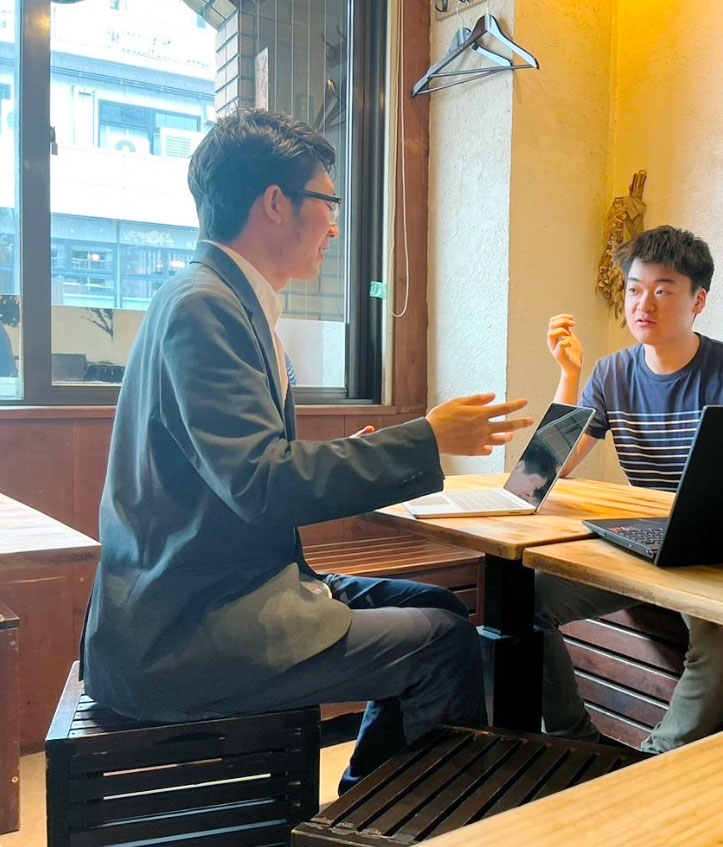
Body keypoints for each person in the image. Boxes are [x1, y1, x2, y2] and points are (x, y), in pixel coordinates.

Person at [82, 108, 533, 790]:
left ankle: (367, 806)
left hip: (213, 594)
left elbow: (239, 468)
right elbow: (261, 483)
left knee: (441, 607)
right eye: (328, 202)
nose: (335, 225)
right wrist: (430, 438)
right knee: (444, 645)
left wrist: (359, 450)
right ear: (274, 204)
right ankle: (394, 817)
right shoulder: (206, 306)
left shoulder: (219, 298)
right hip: (185, 630)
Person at [537, 225, 723, 753]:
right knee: (528, 599)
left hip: (713, 546)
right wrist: (570, 376)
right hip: (641, 539)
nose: (644, 304)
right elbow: (545, 471)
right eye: (634, 289)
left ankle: (651, 763)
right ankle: (574, 741)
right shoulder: (612, 373)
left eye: (664, 290)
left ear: (698, 300)